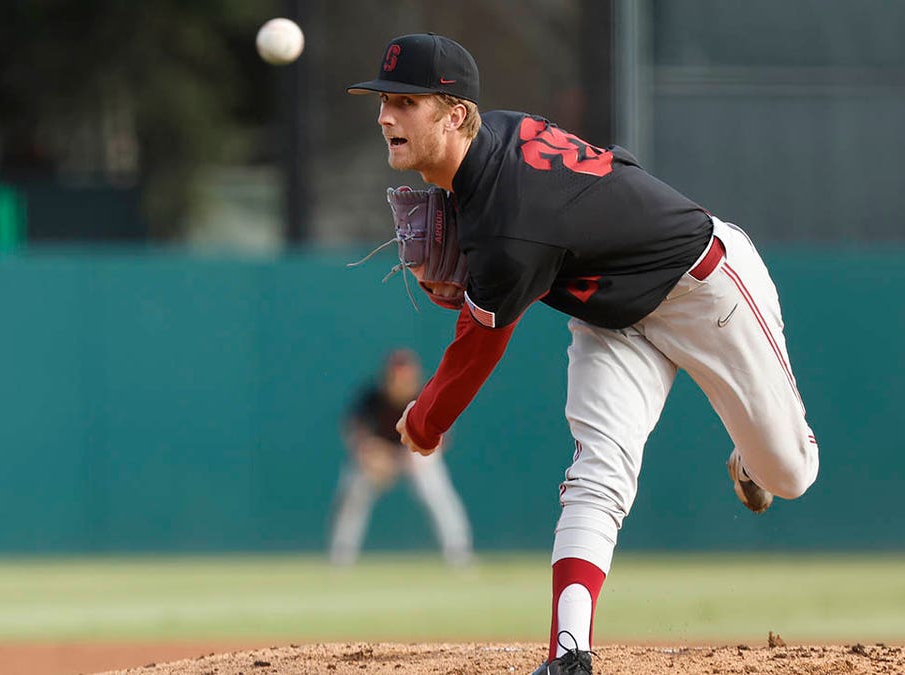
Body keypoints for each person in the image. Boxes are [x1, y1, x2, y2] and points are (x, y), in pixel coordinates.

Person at [346, 33, 820, 674]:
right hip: (611, 317)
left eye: (404, 102)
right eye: (383, 101)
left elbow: (481, 342)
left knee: (790, 475)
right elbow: (523, 245)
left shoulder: (510, 220)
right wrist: (481, 276)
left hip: (703, 288)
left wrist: (426, 420)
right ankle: (569, 655)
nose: (384, 115)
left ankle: (753, 458)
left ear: (454, 113)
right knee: (597, 472)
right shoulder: (494, 143)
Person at [329, 348, 473, 567]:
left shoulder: (425, 394)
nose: (401, 381)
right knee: (353, 491)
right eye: (396, 376)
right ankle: (341, 556)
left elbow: (444, 437)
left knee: (436, 492)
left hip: (416, 454)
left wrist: (417, 456)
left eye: (405, 376)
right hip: (379, 457)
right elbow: (354, 432)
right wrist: (369, 453)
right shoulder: (372, 397)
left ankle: (459, 553)